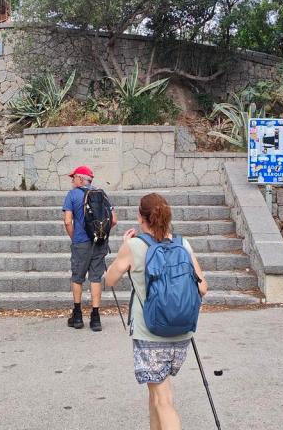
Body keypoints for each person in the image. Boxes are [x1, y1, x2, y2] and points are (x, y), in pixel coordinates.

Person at [103, 193, 208, 430]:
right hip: (181, 332)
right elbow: (203, 287)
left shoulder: (134, 246)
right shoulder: (182, 244)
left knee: (163, 400)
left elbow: (109, 280)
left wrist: (124, 247)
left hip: (149, 333)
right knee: (156, 395)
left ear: (141, 217)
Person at [62, 165, 117, 331]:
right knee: (95, 278)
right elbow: (114, 220)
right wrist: (100, 234)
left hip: (80, 243)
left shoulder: (72, 195)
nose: (72, 181)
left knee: (77, 277)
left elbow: (67, 221)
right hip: (99, 243)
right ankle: (95, 317)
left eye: (73, 178)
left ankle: (78, 316)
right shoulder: (101, 194)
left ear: (80, 179)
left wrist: (75, 237)